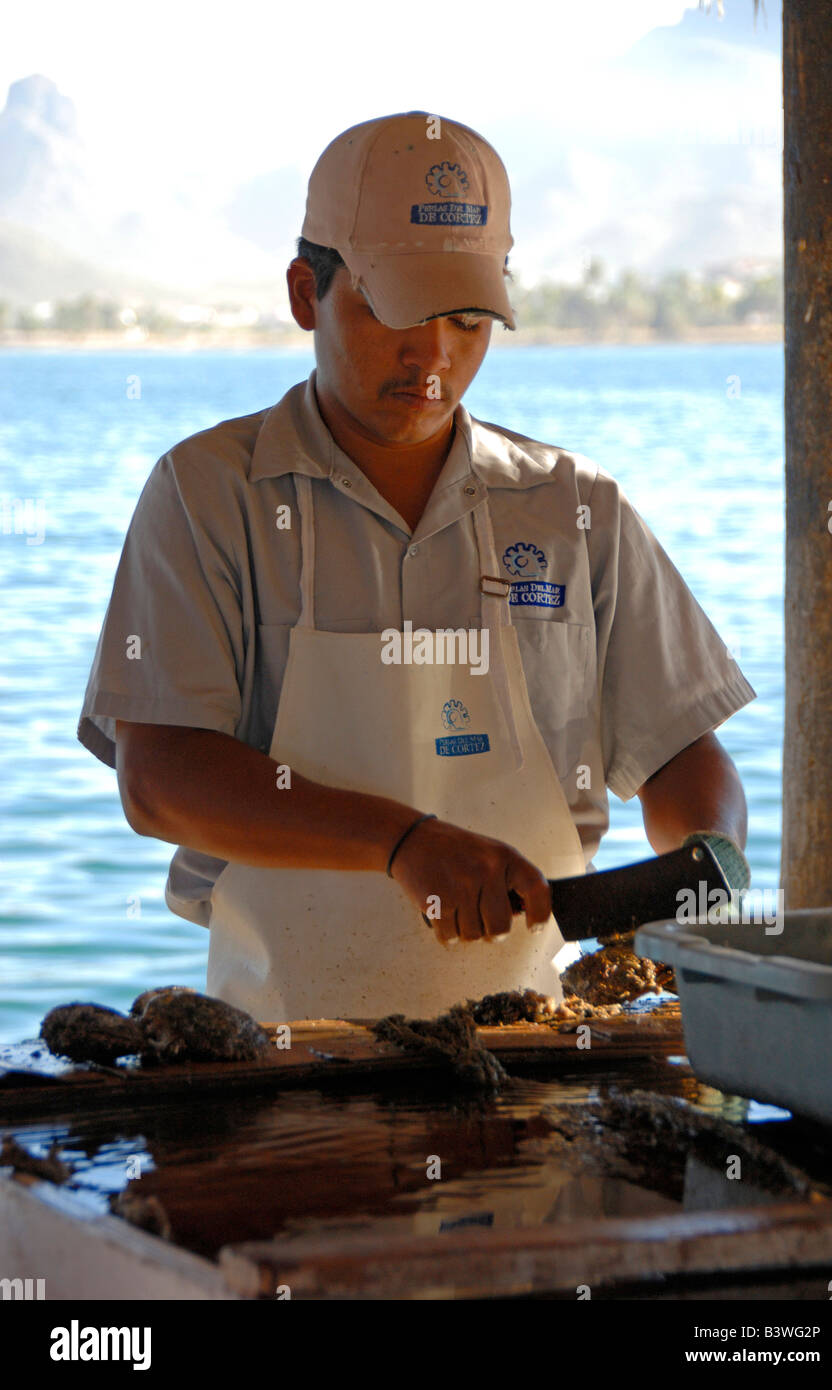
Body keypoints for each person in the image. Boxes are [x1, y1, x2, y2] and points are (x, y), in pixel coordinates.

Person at [77, 111, 755, 1023]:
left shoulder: (574, 509)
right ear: (302, 294)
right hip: (285, 1048)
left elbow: (682, 754)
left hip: (537, 1043)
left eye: (468, 316)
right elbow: (159, 779)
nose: (432, 356)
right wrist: (401, 843)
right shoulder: (208, 497)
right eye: (391, 309)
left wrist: (703, 872)